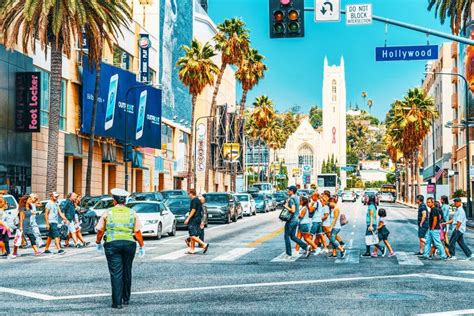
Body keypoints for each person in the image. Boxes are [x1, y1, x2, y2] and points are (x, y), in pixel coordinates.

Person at [95, 188, 146, 309]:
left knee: (116, 273)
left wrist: (98, 242)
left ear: (114, 201)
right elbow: (137, 232)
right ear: (125, 201)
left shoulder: (108, 212)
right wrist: (142, 246)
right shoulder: (131, 212)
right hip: (129, 245)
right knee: (127, 271)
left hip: (112, 245)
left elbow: (100, 231)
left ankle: (117, 303)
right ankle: (126, 298)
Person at [283, 186, 310, 258]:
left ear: (292, 191)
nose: (287, 191)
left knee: (286, 236)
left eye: (288, 190)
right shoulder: (297, 198)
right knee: (292, 236)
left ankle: (288, 254)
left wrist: (286, 206)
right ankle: (305, 246)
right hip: (295, 220)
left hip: (291, 220)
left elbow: (293, 210)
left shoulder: (292, 199)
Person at [184, 189, 209, 254]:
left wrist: (188, 218)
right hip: (198, 219)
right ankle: (192, 249)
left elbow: (193, 210)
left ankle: (204, 244)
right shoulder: (198, 200)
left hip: (194, 219)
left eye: (188, 193)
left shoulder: (194, 200)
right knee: (193, 234)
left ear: (191, 193)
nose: (188, 195)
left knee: (192, 235)